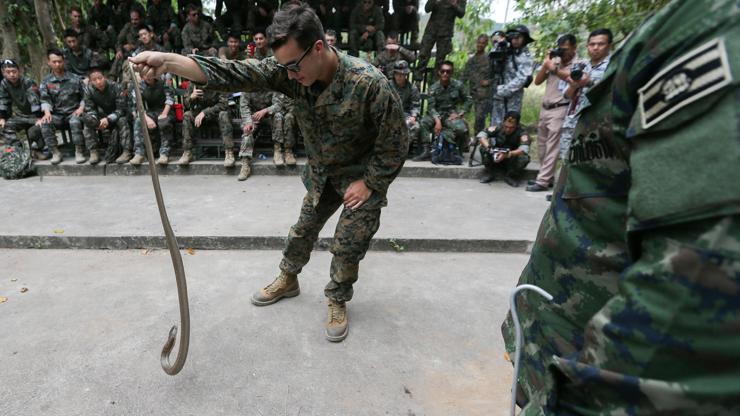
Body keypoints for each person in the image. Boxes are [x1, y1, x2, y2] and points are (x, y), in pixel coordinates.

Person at [501, 0, 740, 413]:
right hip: (556, 341)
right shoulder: (681, 23)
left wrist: (566, 404)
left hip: (584, 376)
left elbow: (689, 304)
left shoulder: (710, 31)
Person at [129, 3, 408, 342]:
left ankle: (336, 297)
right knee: (301, 231)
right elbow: (234, 72)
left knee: (348, 246)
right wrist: (168, 60)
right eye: (284, 67)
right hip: (322, 175)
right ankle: (288, 279)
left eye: (293, 66)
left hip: (360, 178)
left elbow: (396, 141)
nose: (289, 75)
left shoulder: (368, 84)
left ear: (318, 47)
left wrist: (370, 183)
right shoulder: (292, 72)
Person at [527, 34, 577, 192]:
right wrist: (545, 64)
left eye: (566, 49)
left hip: (561, 107)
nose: (563, 52)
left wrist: (553, 68)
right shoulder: (554, 61)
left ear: (574, 48)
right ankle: (547, 177)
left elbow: (572, 79)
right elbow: (537, 81)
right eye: (560, 49)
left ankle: (542, 181)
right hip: (545, 107)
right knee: (541, 146)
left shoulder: (579, 64)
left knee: (552, 147)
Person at [559, 28, 612, 159]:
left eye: (600, 44)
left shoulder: (613, 66)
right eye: (592, 44)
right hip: (573, 123)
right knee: (567, 161)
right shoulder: (580, 65)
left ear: (609, 46)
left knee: (591, 164)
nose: (595, 48)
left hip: (598, 125)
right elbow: (566, 96)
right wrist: (573, 85)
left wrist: (589, 82)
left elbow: (614, 91)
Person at [414, 60, 471, 162]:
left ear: (451, 73)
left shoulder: (458, 85)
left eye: (448, 71)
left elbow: (468, 99)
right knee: (423, 123)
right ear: (439, 72)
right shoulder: (433, 87)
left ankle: (458, 150)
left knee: (462, 129)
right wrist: (438, 121)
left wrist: (460, 113)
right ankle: (426, 150)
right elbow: (431, 107)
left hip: (451, 114)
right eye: (443, 71)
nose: (445, 73)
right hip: (436, 113)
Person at [39, 49, 86, 165]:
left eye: (59, 61)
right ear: (48, 62)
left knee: (75, 121)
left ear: (63, 61)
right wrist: (47, 112)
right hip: (57, 115)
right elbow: (44, 99)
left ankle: (79, 151)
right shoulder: (46, 81)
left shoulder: (75, 78)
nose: (57, 64)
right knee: (45, 122)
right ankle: (55, 152)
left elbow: (86, 97)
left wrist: (81, 108)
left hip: (74, 113)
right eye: (54, 62)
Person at [81, 67, 132, 165]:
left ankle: (127, 151)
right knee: (88, 123)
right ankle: (94, 151)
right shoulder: (88, 90)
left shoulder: (115, 86)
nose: (98, 81)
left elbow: (121, 109)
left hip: (116, 116)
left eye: (100, 78)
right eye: (94, 80)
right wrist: (96, 121)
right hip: (101, 117)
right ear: (90, 82)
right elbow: (90, 109)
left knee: (123, 120)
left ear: (105, 77)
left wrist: (108, 119)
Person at [489, 25, 534, 129]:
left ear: (524, 39)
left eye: (518, 38)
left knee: (511, 125)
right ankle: (494, 144)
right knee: (495, 125)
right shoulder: (506, 50)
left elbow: (522, 78)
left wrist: (504, 89)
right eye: (513, 37)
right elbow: (492, 59)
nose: (515, 41)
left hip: (513, 97)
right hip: (499, 96)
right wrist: (499, 44)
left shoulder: (525, 55)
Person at [0, 60, 45, 159]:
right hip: (20, 117)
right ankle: (18, 151)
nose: (12, 74)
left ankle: (36, 150)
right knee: (3, 127)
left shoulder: (28, 82)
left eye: (14, 71)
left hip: (35, 116)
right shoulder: (4, 84)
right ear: (3, 73)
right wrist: (2, 118)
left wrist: (39, 118)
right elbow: (4, 101)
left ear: (19, 71)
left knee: (34, 131)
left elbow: (35, 102)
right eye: (8, 72)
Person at [129, 72, 174, 166]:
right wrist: (146, 119)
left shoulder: (163, 82)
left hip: (165, 110)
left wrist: (164, 114)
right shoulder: (139, 86)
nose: (148, 77)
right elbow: (138, 105)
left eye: (150, 74)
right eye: (145, 75)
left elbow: (169, 99)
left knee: (163, 122)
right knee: (138, 121)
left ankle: (164, 154)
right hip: (150, 111)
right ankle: (139, 153)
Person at [178, 83, 228, 166]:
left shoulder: (218, 81)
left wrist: (205, 112)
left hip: (216, 113)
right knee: (187, 115)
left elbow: (223, 104)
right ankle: (187, 152)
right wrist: (191, 98)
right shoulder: (193, 83)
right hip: (200, 113)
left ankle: (229, 151)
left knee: (224, 115)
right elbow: (186, 105)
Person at [476, 111, 530, 187]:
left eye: (512, 128)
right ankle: (490, 172)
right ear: (503, 122)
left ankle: (511, 175)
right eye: (506, 126)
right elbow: (481, 135)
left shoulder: (522, 131)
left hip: (511, 157)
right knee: (483, 148)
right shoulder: (499, 127)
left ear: (517, 125)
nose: (508, 129)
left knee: (524, 157)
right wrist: (489, 147)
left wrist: (508, 154)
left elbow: (524, 149)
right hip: (496, 154)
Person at [416, 0, 466, 80]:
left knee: (440, 60)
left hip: (445, 33)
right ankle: (417, 80)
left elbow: (461, 13)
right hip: (431, 30)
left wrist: (454, 5)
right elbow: (427, 9)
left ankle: (436, 84)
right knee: (423, 55)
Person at [239, 88, 283, 166]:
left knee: (278, 116)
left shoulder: (272, 83)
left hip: (269, 115)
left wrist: (266, 110)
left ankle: (277, 150)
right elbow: (244, 105)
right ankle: (245, 162)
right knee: (247, 129)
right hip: (253, 116)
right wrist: (248, 122)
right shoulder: (248, 84)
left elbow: (278, 105)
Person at [462, 33, 493, 134]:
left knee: (480, 118)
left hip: (484, 95)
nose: (480, 45)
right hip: (471, 93)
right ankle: (466, 138)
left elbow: (496, 76)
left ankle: (478, 137)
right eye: (479, 43)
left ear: (486, 44)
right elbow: (464, 77)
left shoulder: (489, 59)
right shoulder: (471, 60)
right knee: (463, 114)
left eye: (483, 43)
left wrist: (489, 81)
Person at [389, 60, 420, 157]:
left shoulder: (412, 88)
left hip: (405, 115)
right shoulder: (387, 85)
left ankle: (401, 149)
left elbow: (415, 105)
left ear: (406, 75)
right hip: (389, 114)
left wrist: (413, 116)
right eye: (397, 74)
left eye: (402, 74)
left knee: (415, 126)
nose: (399, 76)